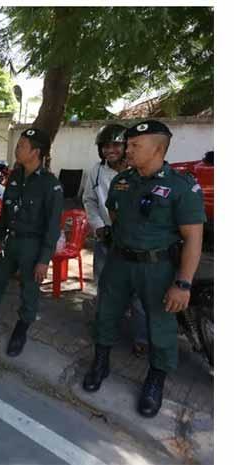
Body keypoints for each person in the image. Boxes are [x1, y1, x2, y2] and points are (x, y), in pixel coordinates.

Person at [82, 120, 205, 418]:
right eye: (129, 144)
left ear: (158, 149)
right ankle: (101, 362)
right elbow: (114, 215)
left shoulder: (181, 186)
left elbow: (193, 238)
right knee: (106, 313)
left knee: (160, 326)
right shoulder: (123, 181)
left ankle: (156, 380)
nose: (128, 150)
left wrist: (183, 283)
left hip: (158, 269)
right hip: (119, 263)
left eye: (136, 145)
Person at [0, 128, 63, 358]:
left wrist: (44, 260)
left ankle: (22, 328)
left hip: (33, 246)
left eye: (22, 146)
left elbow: (53, 226)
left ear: (35, 152)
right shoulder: (16, 177)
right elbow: (7, 213)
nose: (17, 149)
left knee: (29, 289)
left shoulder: (50, 184)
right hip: (11, 241)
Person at [82, 124, 149, 358]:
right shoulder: (96, 171)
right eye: (105, 146)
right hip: (106, 239)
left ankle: (142, 337)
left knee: (139, 292)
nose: (110, 150)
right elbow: (89, 200)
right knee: (105, 286)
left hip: (135, 241)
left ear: (125, 146)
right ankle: (105, 329)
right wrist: (98, 227)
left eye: (116, 145)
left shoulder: (140, 170)